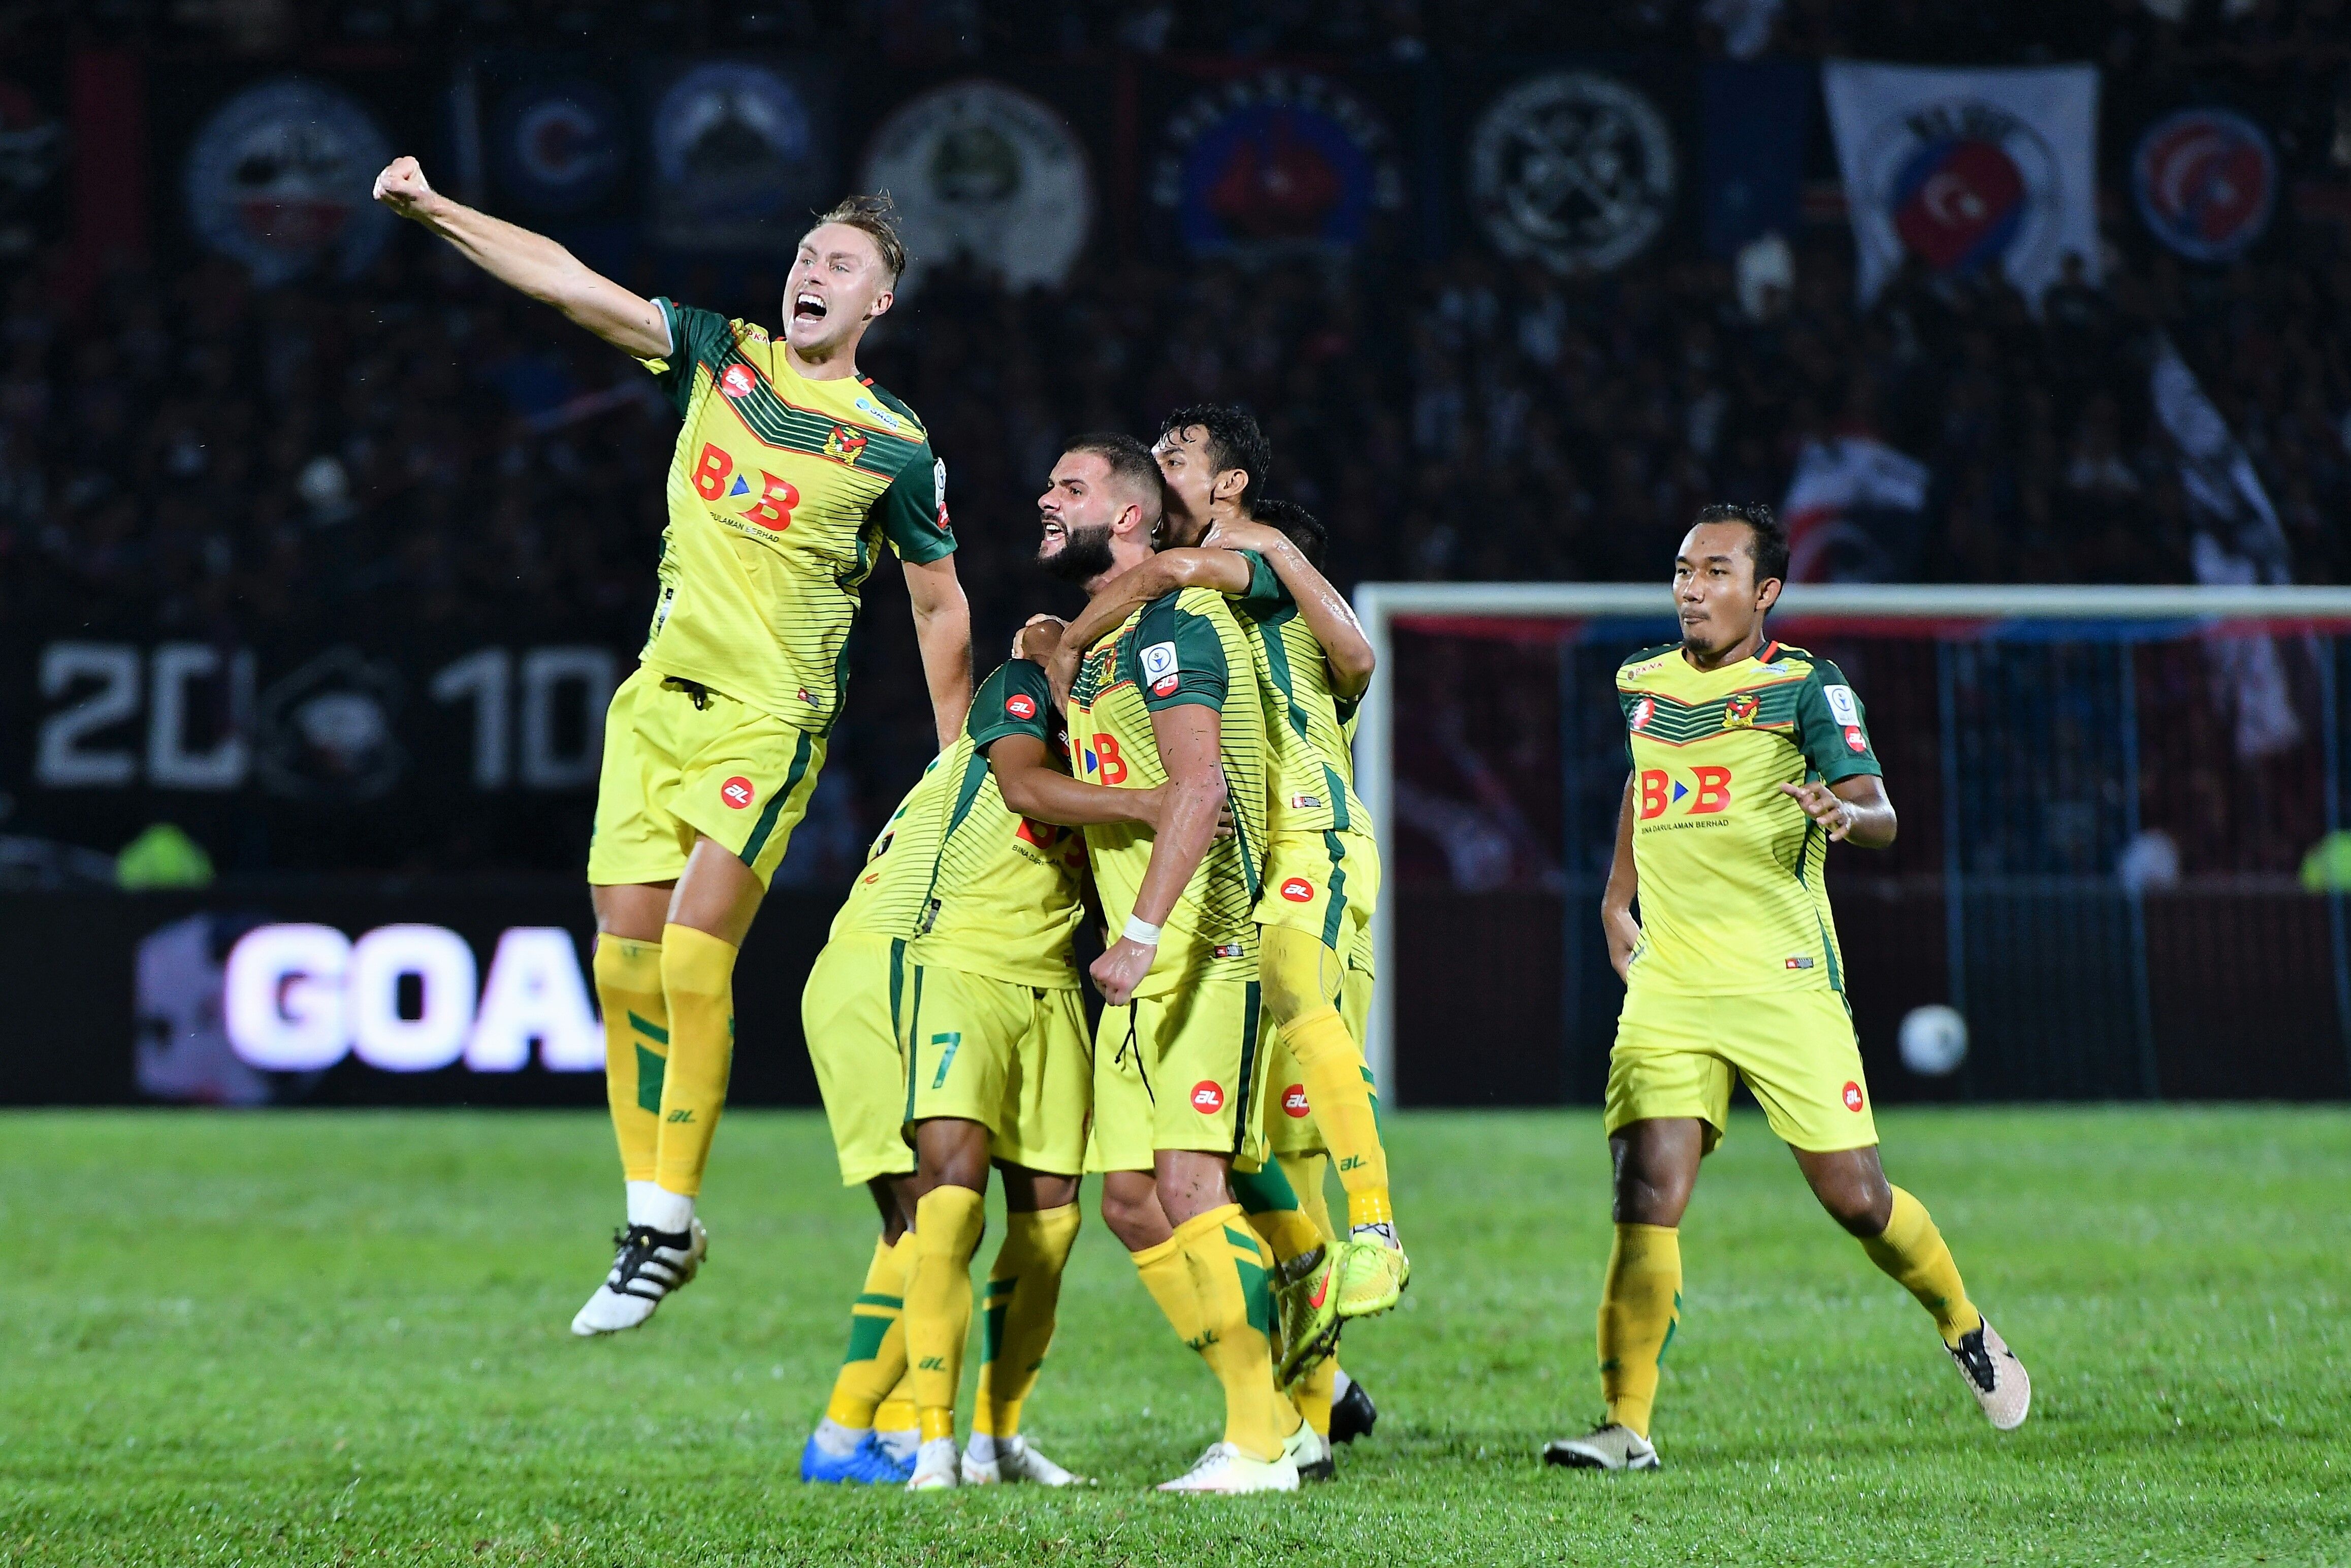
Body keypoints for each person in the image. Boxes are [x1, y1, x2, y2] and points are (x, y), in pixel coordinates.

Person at [372, 161, 974, 1335]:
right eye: (806, 255)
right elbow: (568, 285)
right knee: (621, 959)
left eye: (840, 265)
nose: (813, 272)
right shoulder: (721, 357)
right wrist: (442, 210)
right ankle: (660, 1211)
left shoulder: (894, 444)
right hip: (656, 704)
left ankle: (658, 1225)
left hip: (770, 717)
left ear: (877, 306)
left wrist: (955, 761)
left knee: (697, 958)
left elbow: (938, 603)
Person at [1544, 503, 2030, 1473]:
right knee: (1646, 1188)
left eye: (1715, 571)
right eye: (1682, 569)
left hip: (1782, 979)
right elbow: (1645, 790)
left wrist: (1846, 820)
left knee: (1855, 1199)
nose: (1690, 587)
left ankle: (1963, 1322)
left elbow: (1879, 809)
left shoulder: (1807, 685)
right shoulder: (1640, 682)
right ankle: (1624, 1424)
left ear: (1764, 592)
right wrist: (1614, 900)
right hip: (1670, 980)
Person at [1048, 408, 1403, 1381]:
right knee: (1273, 1156)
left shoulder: (1240, 556)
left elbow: (1168, 575)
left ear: (1232, 486)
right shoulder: (1201, 601)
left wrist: (1069, 640)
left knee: (1291, 992)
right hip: (1256, 865)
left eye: (1176, 458)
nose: (1158, 472)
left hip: (1311, 832)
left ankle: (1377, 1230)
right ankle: (1319, 1402)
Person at [1037, 432, 1312, 1494]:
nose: (1045, 498)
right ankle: (1277, 1411)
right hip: (1140, 956)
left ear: (1131, 516)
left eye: (1071, 486)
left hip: (1199, 942)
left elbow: (1198, 789)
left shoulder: (1176, 620)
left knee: (1191, 1180)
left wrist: (1140, 934)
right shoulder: (1104, 641)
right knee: (1132, 1202)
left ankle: (1262, 1437)